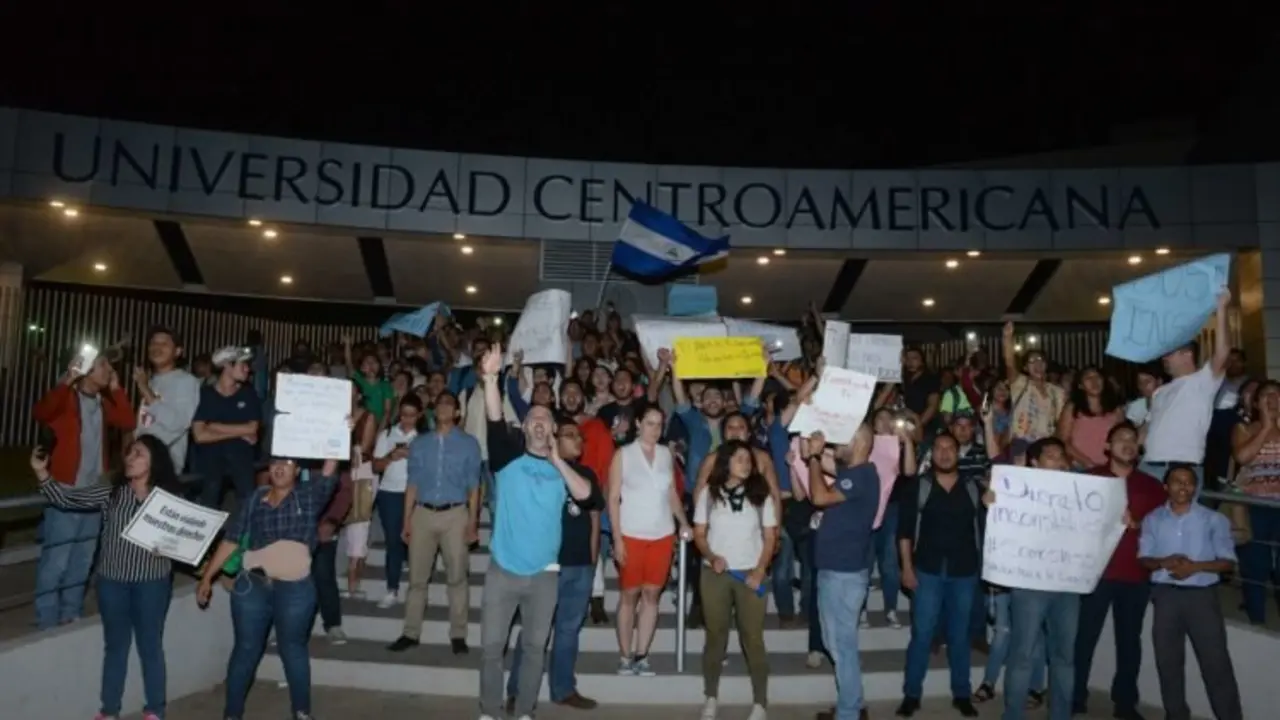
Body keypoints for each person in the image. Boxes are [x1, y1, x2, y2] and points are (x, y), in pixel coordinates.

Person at [476, 344, 594, 720]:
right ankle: (490, 711)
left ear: (554, 429)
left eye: (546, 418)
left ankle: (525, 711)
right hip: (504, 570)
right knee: (492, 648)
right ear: (524, 426)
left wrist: (557, 457)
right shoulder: (508, 456)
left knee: (533, 648)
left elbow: (586, 496)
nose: (540, 421)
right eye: (534, 417)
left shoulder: (564, 469)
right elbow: (495, 418)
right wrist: (492, 377)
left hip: (545, 575)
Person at [32, 435, 179, 720]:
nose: (130, 458)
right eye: (129, 453)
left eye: (138, 454)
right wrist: (42, 473)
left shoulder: (168, 499)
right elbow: (67, 498)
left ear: (153, 462)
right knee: (115, 646)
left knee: (150, 645)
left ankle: (155, 709)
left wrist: (171, 547)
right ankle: (108, 710)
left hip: (152, 583)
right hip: (112, 583)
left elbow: (186, 539)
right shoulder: (111, 492)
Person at [197, 454, 342, 720]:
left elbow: (330, 470)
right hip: (253, 586)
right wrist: (207, 577)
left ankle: (301, 712)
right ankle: (231, 714)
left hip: (296, 588)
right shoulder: (255, 498)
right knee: (246, 649)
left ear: (297, 471)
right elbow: (232, 539)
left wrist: (336, 432)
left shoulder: (308, 498)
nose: (279, 468)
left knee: (293, 649)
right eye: (275, 463)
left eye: (287, 464)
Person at [505, 412, 604, 711]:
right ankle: (519, 691)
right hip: (547, 565)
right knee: (536, 630)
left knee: (568, 629)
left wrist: (591, 558)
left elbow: (595, 518)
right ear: (554, 439)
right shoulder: (538, 470)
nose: (578, 441)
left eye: (579, 437)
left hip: (579, 565)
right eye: (571, 435)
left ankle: (563, 688)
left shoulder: (587, 475)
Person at [31, 350, 136, 629]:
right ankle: (46, 617)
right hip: (65, 489)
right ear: (86, 371)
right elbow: (41, 411)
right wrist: (68, 380)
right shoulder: (67, 399)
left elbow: (128, 422)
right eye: (102, 365)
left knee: (83, 557)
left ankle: (70, 611)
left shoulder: (102, 402)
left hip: (93, 491)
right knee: (58, 557)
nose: (109, 369)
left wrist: (116, 388)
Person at [1072, 421, 1164, 719]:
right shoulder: (1088, 480)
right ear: (1107, 447)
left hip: (1136, 577)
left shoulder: (1152, 486)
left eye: (1132, 440)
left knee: (1129, 643)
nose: (1127, 443)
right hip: (1094, 575)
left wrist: (1139, 526)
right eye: (1120, 439)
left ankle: (1125, 703)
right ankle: (1074, 696)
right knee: (1083, 639)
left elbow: (1163, 530)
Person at [1138, 464, 1244, 720]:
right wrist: (1165, 561)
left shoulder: (1213, 519)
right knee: (1168, 663)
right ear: (1166, 486)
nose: (1183, 486)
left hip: (1202, 597)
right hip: (1165, 597)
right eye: (1177, 481)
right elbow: (1144, 559)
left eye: (1189, 482)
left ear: (1195, 487)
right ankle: (1175, 715)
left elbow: (1227, 561)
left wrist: (1194, 567)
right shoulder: (1153, 519)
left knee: (1215, 664)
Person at [388, 389, 482, 654]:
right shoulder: (420, 443)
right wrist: (407, 521)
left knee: (457, 577)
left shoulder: (469, 444)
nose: (443, 407)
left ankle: (459, 634)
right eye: (439, 403)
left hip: (455, 513)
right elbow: (412, 484)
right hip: (423, 514)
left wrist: (472, 522)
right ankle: (410, 632)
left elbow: (475, 487)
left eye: (449, 404)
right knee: (417, 578)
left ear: (457, 412)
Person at [896, 432, 982, 718]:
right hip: (927, 570)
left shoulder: (974, 488)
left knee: (960, 636)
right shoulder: (919, 486)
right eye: (939, 448)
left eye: (950, 448)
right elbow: (905, 532)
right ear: (931, 454)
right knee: (922, 634)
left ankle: (962, 694)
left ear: (959, 453)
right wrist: (906, 567)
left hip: (965, 571)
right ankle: (911, 694)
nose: (944, 453)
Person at [693, 439, 777, 720]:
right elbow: (700, 534)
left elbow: (770, 537)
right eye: (740, 458)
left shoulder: (761, 494)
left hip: (750, 575)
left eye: (748, 459)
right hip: (715, 574)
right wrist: (711, 555)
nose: (746, 463)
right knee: (716, 636)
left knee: (753, 638)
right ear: (726, 461)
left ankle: (760, 702)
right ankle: (711, 696)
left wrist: (760, 570)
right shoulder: (708, 493)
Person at [608, 403, 692, 677]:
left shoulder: (667, 454)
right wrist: (618, 539)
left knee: (652, 594)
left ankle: (642, 654)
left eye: (659, 424)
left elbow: (671, 494)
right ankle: (624, 655)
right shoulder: (624, 454)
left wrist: (683, 522)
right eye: (650, 423)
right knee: (629, 595)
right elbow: (613, 499)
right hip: (631, 533)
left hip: (662, 534)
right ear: (638, 425)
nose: (655, 429)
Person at [806, 427, 879, 720]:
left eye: (843, 439)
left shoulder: (859, 476)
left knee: (842, 645)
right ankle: (853, 701)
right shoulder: (857, 472)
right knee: (834, 641)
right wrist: (813, 447)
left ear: (860, 443)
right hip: (838, 569)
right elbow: (830, 464)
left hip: (843, 573)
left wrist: (813, 456)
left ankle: (849, 712)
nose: (837, 445)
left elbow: (819, 497)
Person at [1139, 290, 1231, 494]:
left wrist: (1222, 308)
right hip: (1148, 466)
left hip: (1182, 468)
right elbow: (1147, 428)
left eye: (1170, 352)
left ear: (1187, 354)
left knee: (1183, 524)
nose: (1164, 356)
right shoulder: (1159, 392)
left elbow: (1222, 352)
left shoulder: (1203, 381)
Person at [370, 394, 424, 609]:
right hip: (390, 493)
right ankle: (392, 589)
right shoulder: (387, 435)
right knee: (393, 541)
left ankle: (417, 590)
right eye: (403, 415)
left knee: (416, 542)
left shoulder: (424, 437)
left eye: (411, 416)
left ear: (419, 415)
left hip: (417, 493)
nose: (407, 420)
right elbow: (375, 467)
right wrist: (392, 456)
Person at [192, 346, 263, 509]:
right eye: (242, 365)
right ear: (227, 365)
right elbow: (199, 435)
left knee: (248, 502)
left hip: (241, 461)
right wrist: (239, 432)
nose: (247, 369)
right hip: (210, 462)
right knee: (208, 500)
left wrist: (214, 426)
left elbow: (252, 428)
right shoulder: (205, 394)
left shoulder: (248, 394)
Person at [133, 325, 201, 472]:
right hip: (140, 460)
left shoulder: (185, 381)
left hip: (164, 465)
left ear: (177, 351)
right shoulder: (151, 381)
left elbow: (179, 423)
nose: (156, 348)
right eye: (153, 343)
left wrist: (146, 390)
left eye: (164, 344)